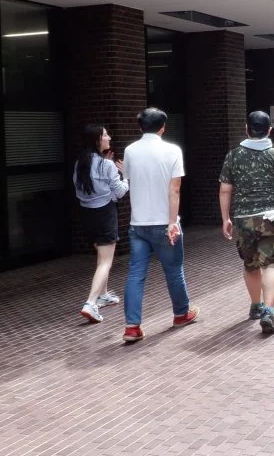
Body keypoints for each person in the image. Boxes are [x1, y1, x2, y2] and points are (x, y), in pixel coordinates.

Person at [218, 111, 274, 335]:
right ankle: (269, 310)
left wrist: (225, 218)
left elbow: (225, 189)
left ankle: (256, 305)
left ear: (246, 129)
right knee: (271, 265)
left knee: (251, 264)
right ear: (269, 131)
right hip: (271, 218)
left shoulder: (233, 156)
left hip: (243, 220)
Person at [120, 108, 199, 343]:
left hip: (138, 224)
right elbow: (175, 190)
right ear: (163, 127)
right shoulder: (173, 151)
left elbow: (129, 180)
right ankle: (181, 314)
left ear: (140, 127)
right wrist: (172, 222)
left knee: (136, 274)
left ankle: (132, 327)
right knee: (174, 271)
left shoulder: (130, 151)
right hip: (164, 222)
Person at [73, 124, 129, 324]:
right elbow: (120, 192)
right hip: (105, 214)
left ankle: (103, 295)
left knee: (101, 257)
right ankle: (90, 303)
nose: (109, 137)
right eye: (105, 135)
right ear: (97, 140)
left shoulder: (80, 163)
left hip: (87, 214)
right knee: (105, 262)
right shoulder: (107, 165)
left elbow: (80, 190)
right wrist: (126, 176)